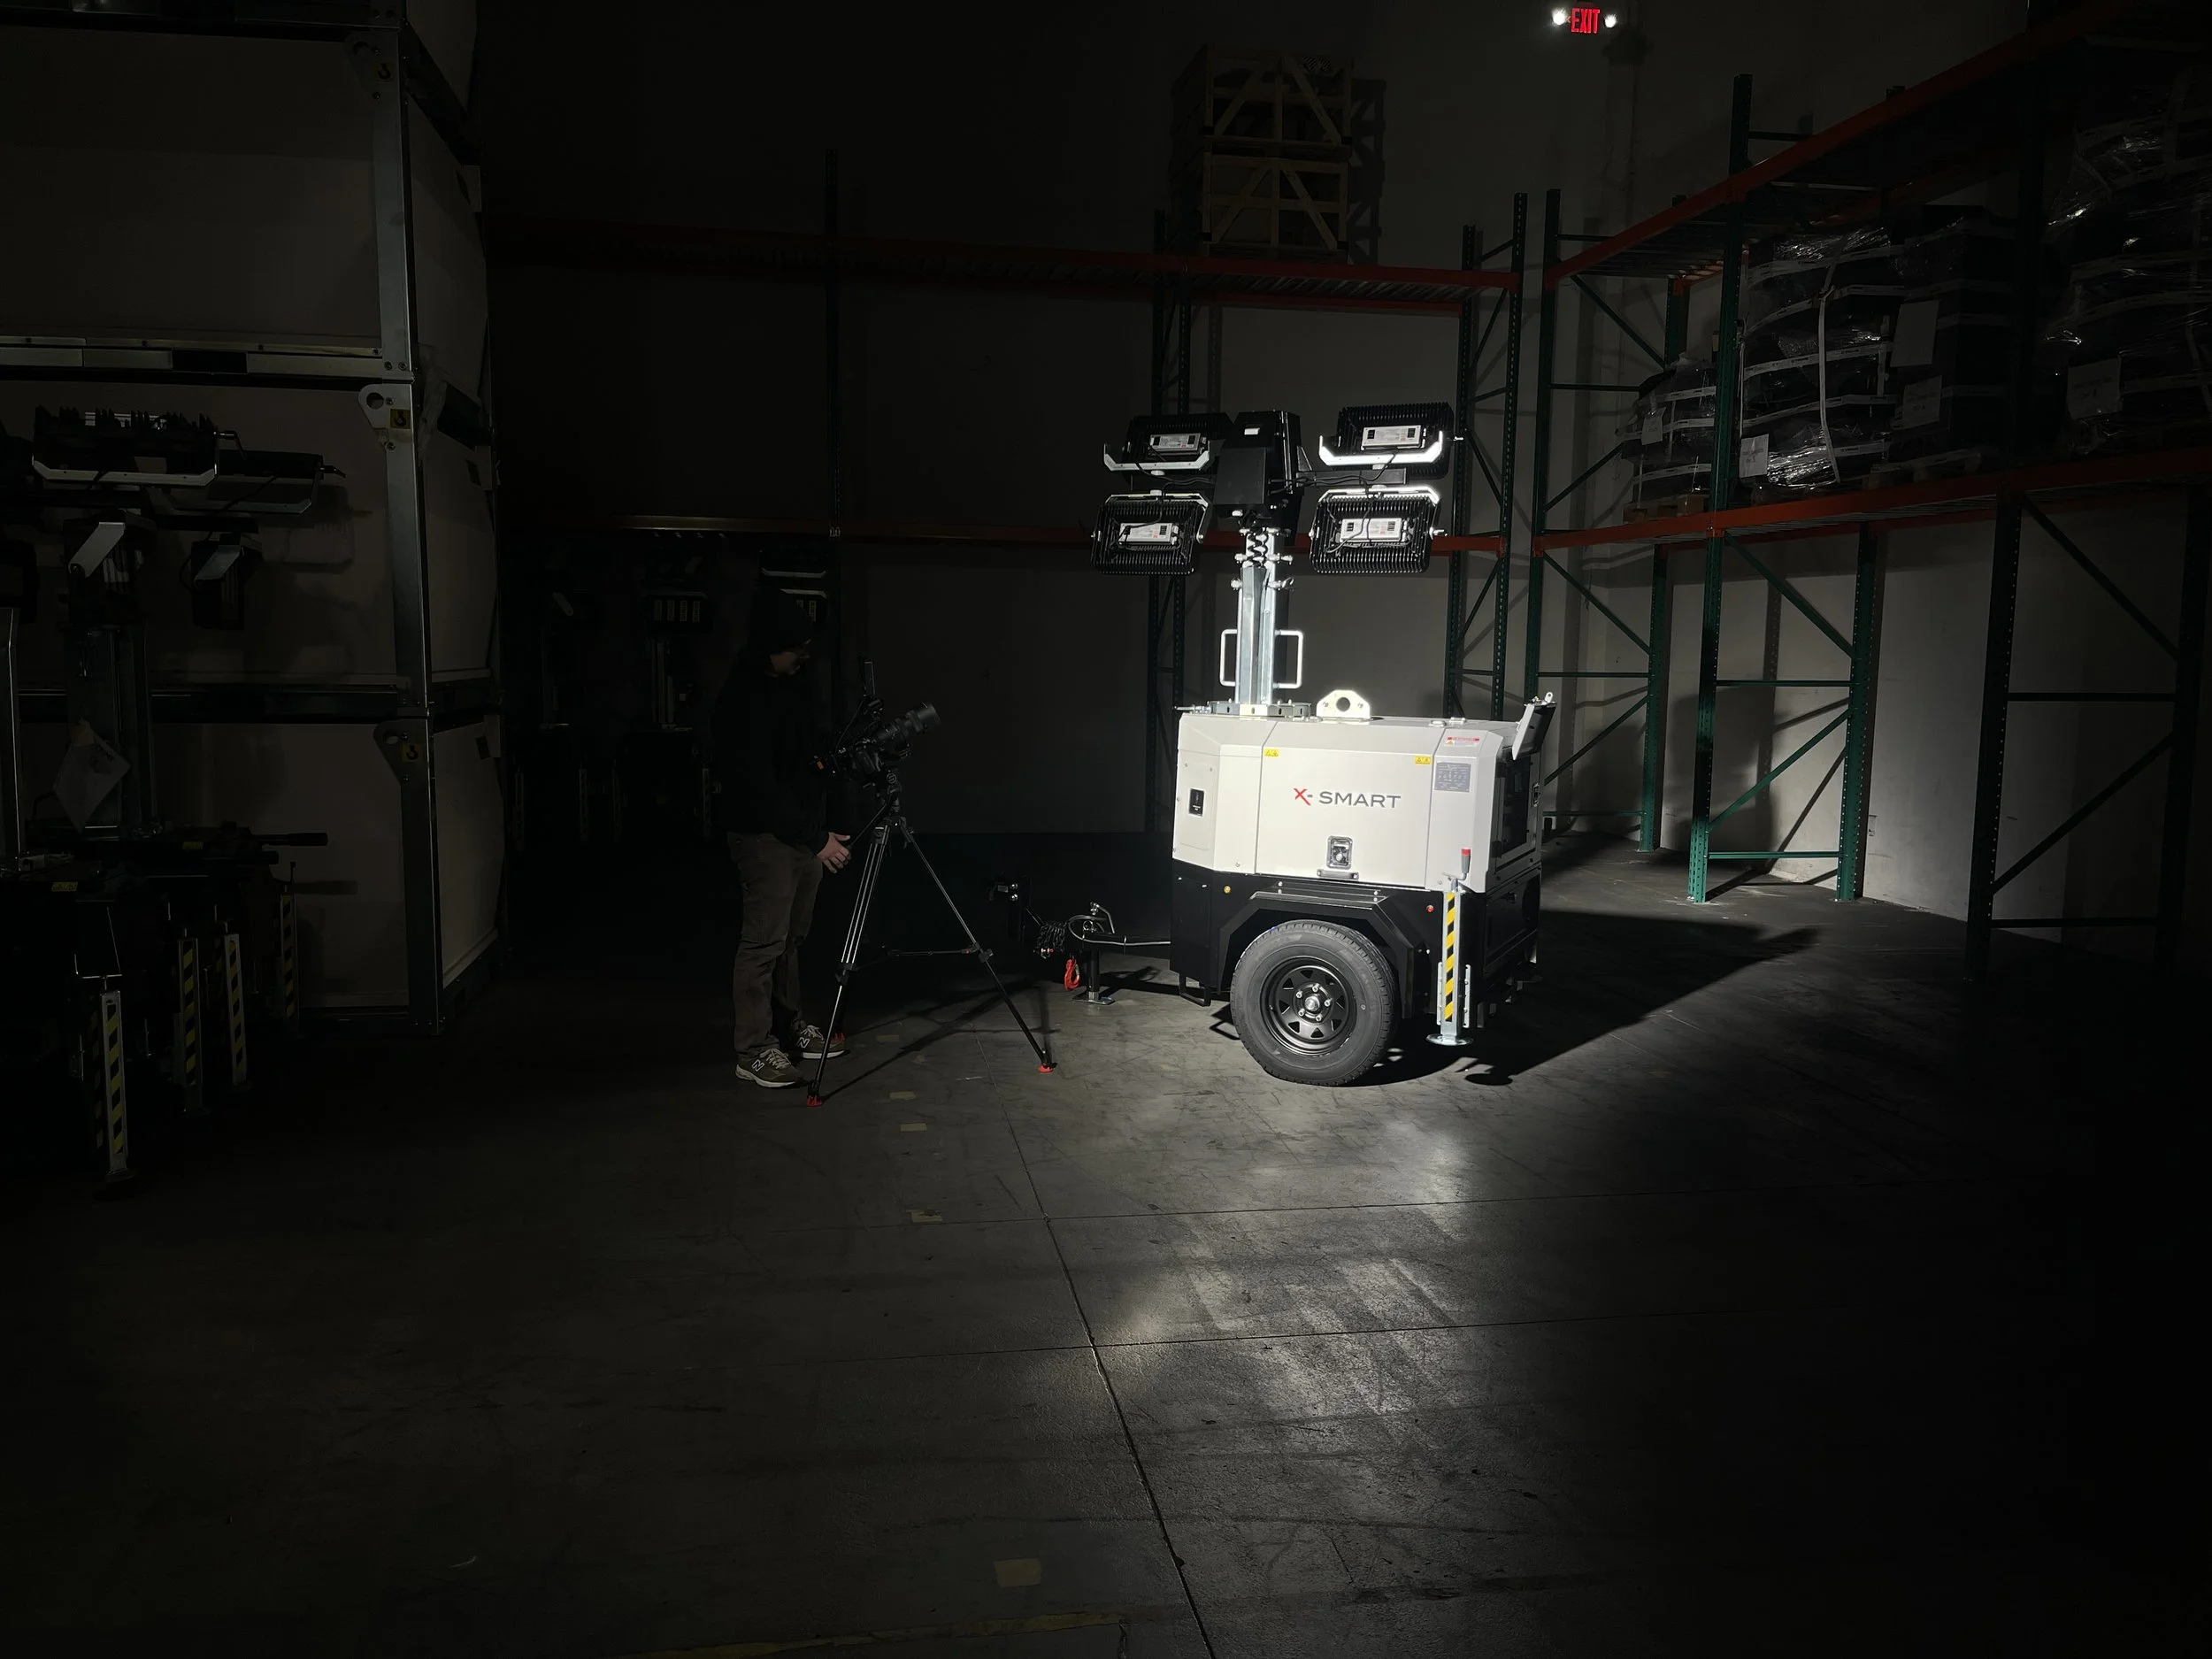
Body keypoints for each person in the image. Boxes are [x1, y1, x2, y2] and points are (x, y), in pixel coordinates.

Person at [711, 592, 850, 1088]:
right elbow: (760, 788)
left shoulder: (789, 689)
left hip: (798, 836)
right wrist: (815, 840)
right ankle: (753, 1049)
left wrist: (816, 832)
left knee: (791, 940)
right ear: (769, 646)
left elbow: (797, 772)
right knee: (764, 944)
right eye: (794, 649)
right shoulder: (741, 701)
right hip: (763, 838)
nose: (802, 657)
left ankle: (789, 1028)